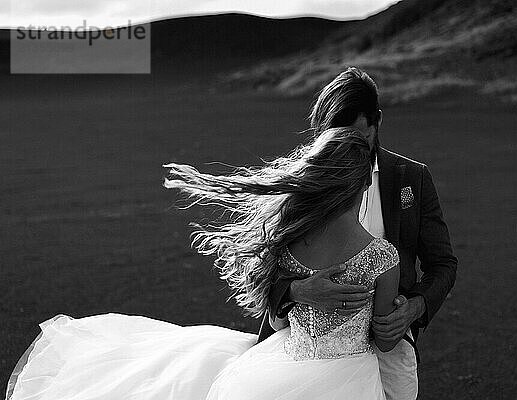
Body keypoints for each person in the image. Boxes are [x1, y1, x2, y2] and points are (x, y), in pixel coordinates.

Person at [6, 127, 405, 400]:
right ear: (364, 183)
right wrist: (399, 312)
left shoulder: (290, 242)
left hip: (281, 366)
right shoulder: (383, 259)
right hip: (350, 376)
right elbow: (386, 339)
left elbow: (277, 313)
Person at [258, 67, 458, 400]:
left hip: (388, 348)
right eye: (338, 139)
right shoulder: (305, 184)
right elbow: (266, 265)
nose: (350, 151)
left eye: (358, 137)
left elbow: (443, 264)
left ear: (377, 121)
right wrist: (296, 290)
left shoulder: (413, 178)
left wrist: (416, 306)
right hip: (304, 355)